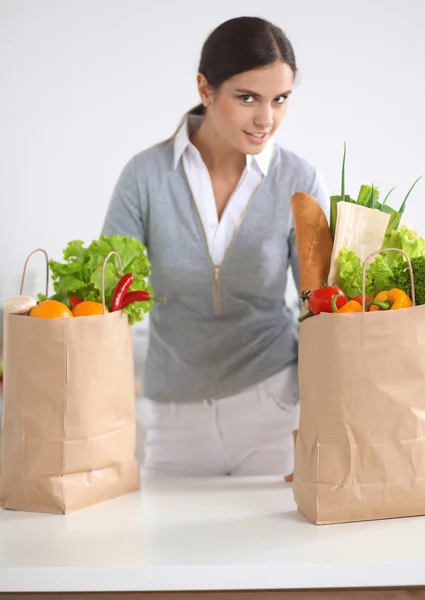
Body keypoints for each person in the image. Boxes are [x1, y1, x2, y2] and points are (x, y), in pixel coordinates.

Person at [102, 16, 329, 478]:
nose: (266, 119)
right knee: (169, 549)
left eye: (280, 99)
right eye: (247, 98)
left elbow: (323, 310)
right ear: (206, 90)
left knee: (283, 549)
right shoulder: (144, 177)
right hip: (173, 415)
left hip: (273, 406)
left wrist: (324, 422)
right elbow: (105, 303)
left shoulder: (299, 182)